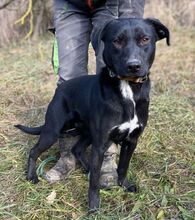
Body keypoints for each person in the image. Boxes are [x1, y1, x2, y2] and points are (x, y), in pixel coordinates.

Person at [45, 0, 145, 188]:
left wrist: (130, 15)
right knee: (69, 78)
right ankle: (69, 154)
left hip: (111, 2)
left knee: (112, 75)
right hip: (69, 4)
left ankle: (107, 156)